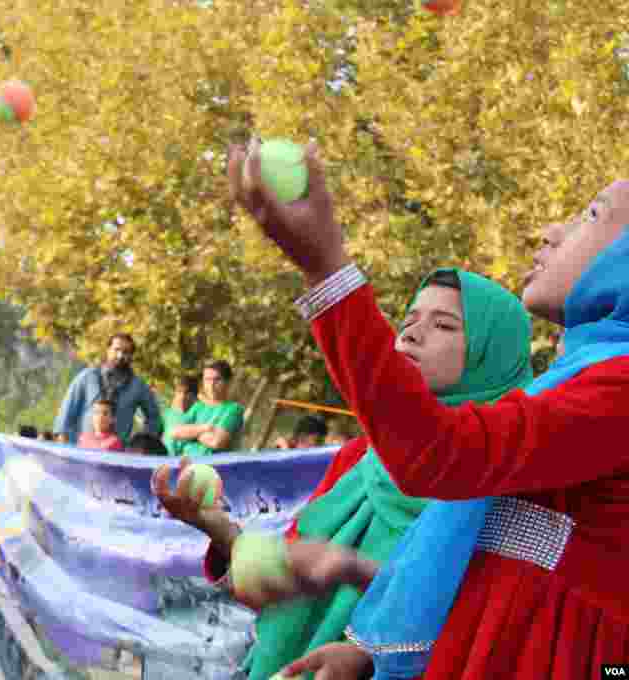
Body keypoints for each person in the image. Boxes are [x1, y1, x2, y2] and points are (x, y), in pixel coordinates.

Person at [229, 143, 629, 679]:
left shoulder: (620, 388)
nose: (552, 231)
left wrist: (326, 270)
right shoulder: (577, 380)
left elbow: (440, 453)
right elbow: (495, 559)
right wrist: (374, 653)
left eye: (591, 214)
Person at [154, 267, 534, 680]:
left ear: (493, 354)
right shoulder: (361, 456)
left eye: (443, 325)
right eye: (408, 320)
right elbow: (291, 574)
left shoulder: (505, 482)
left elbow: (483, 630)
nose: (410, 335)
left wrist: (369, 651)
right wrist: (221, 531)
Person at [54, 333, 162, 444]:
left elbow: (154, 419)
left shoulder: (138, 386)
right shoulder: (88, 376)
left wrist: (142, 443)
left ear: (131, 356)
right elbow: (67, 410)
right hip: (83, 451)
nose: (120, 356)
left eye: (126, 352)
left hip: (117, 454)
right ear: (108, 350)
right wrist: (63, 440)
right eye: (116, 350)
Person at [168, 360, 244, 457]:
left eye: (217, 379)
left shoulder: (234, 409)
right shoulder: (198, 406)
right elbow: (174, 431)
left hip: (215, 467)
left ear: (228, 382)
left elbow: (216, 442)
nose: (211, 385)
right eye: (207, 379)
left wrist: (191, 433)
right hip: (187, 465)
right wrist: (204, 428)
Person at [161, 375, 198, 456]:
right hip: (164, 461)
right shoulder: (166, 414)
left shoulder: (199, 414)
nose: (182, 397)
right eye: (179, 392)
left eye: (187, 393)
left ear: (194, 396)